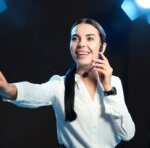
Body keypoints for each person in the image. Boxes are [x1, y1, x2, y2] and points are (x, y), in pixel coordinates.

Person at [0, 18, 135, 148]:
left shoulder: (114, 82)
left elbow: (127, 134)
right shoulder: (60, 85)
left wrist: (108, 89)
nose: (81, 44)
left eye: (90, 38)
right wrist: (8, 89)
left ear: (102, 47)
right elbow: (35, 91)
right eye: (75, 38)